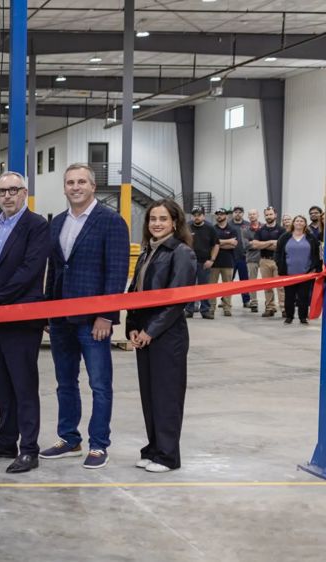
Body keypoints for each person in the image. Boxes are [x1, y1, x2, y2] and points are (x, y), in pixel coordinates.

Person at [43, 163, 129, 469]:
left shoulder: (111, 221)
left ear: (93, 187)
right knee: (65, 382)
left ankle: (98, 444)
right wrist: (48, 312)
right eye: (70, 182)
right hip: (61, 319)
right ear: (64, 187)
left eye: (81, 182)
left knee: (99, 384)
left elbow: (116, 272)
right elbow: (54, 270)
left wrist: (106, 316)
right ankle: (69, 438)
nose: (75, 187)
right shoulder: (58, 223)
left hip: (94, 321)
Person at [0, 172, 50, 474]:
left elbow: (31, 269)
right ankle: (6, 440)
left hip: (19, 318)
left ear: (24, 193)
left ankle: (29, 448)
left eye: (13, 190)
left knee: (24, 385)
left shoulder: (36, 226)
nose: (7, 196)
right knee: (2, 382)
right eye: (2, 191)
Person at [126, 199, 196, 473]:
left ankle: (168, 455)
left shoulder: (181, 253)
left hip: (167, 336)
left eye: (163, 219)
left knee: (166, 396)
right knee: (150, 396)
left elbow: (177, 301)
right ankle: (153, 448)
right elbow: (135, 291)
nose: (156, 223)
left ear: (175, 223)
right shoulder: (148, 251)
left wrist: (150, 331)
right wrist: (132, 324)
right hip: (143, 333)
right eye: (152, 219)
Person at [275, 214, 322, 325]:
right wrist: (279, 265)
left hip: (306, 274)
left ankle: (303, 317)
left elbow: (317, 254)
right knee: (289, 296)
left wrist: (316, 268)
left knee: (304, 297)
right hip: (288, 273)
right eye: (297, 221)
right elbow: (277, 252)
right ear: (293, 223)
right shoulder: (285, 237)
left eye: (302, 221)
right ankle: (289, 316)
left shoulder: (311, 238)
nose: (299, 223)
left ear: (305, 224)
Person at [185, 206, 219, 320]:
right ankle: (188, 309)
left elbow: (216, 245)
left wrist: (212, 260)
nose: (196, 217)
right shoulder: (187, 227)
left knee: (204, 287)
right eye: (194, 215)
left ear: (203, 215)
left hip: (204, 263)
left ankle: (205, 310)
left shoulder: (210, 228)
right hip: (189, 263)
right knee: (189, 287)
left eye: (199, 215)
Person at [251, 207, 286, 317]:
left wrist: (264, 244)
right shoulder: (260, 230)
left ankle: (284, 308)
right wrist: (271, 242)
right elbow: (255, 245)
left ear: (275, 215)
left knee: (281, 286)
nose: (269, 217)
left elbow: (281, 247)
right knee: (267, 286)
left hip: (277, 261)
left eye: (271, 214)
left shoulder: (281, 230)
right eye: (266, 215)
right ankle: (270, 308)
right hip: (264, 260)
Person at [210, 208, 238, 316]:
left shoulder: (233, 229)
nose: (219, 216)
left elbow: (234, 244)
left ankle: (227, 307)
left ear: (226, 215)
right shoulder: (212, 229)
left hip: (228, 261)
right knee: (212, 286)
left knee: (227, 286)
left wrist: (218, 244)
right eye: (217, 214)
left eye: (221, 214)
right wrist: (227, 241)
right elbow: (212, 244)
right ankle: (211, 307)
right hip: (214, 262)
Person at [230, 206, 250, 308]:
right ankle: (225, 300)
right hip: (231, 257)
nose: (237, 214)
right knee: (228, 280)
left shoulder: (247, 225)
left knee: (245, 281)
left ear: (243, 213)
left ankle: (246, 300)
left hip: (244, 257)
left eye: (240, 212)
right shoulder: (228, 225)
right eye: (236, 212)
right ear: (233, 213)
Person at [242, 209, 263, 312]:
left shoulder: (264, 227)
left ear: (258, 215)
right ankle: (254, 303)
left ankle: (270, 303)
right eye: (250, 214)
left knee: (267, 281)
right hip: (251, 259)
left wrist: (254, 243)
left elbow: (267, 242)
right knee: (252, 282)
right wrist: (262, 244)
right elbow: (246, 245)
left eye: (254, 214)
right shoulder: (245, 229)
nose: (252, 216)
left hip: (264, 257)